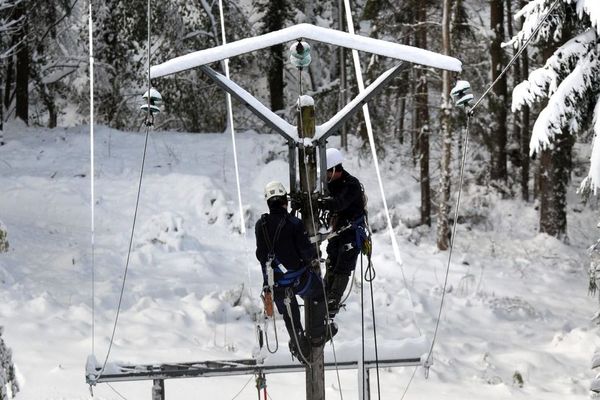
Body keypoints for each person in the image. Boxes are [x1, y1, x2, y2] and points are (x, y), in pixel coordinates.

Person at [255, 181, 334, 360]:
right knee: (319, 293)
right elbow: (306, 252)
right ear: (285, 201)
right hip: (299, 279)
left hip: (275, 284)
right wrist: (315, 255)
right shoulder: (294, 223)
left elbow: (261, 254)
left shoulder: (261, 225)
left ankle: (300, 345)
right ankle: (316, 336)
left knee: (290, 316)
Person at [319, 148, 368, 317]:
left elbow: (339, 203)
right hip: (339, 232)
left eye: (327, 172)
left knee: (343, 266)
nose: (325, 176)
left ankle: (333, 300)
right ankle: (324, 294)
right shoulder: (329, 184)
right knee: (331, 261)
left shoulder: (351, 184)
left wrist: (320, 202)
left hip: (351, 232)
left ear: (334, 169)